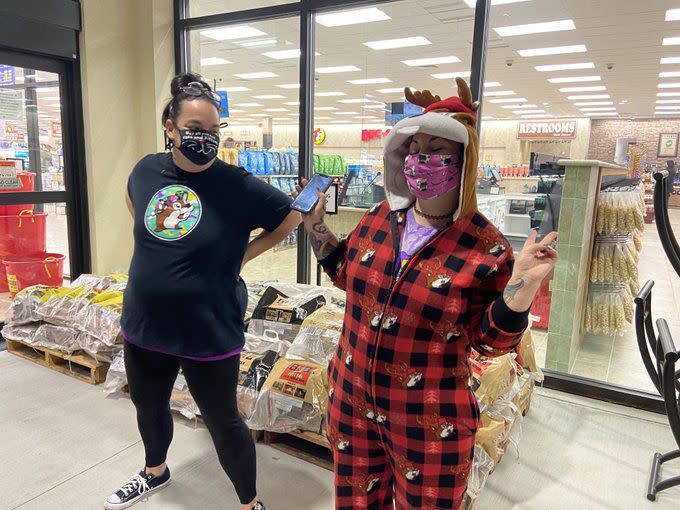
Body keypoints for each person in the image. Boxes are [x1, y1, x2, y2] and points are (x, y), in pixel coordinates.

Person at [298, 78, 558, 510]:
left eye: (436, 151)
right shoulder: (380, 217)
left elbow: (489, 343)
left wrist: (523, 284)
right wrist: (316, 227)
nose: (421, 160)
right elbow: (346, 274)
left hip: (430, 422)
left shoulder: (485, 247)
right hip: (352, 403)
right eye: (415, 149)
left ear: (464, 160)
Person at [105, 73, 300, 510]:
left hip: (208, 327)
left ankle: (249, 503)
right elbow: (136, 205)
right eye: (195, 129)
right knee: (148, 404)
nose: (205, 139)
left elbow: (290, 218)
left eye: (214, 131)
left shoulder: (237, 184)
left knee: (223, 420)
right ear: (170, 128)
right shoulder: (145, 170)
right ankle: (154, 471)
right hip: (144, 322)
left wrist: (244, 255)